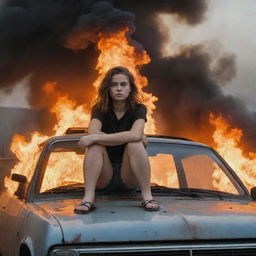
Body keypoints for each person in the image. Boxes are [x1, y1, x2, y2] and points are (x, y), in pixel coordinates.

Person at [74, 66, 159, 214]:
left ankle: (147, 197)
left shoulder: (139, 109)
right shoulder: (100, 109)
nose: (119, 88)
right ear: (107, 88)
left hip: (129, 176)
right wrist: (98, 137)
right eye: (114, 85)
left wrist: (97, 137)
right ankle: (88, 198)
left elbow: (134, 136)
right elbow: (93, 132)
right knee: (95, 146)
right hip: (103, 175)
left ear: (130, 88)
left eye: (123, 84)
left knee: (134, 144)